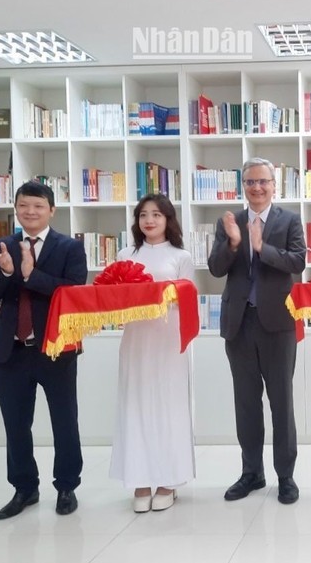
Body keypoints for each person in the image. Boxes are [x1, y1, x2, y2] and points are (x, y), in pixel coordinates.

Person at [0, 181, 87, 520]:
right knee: (15, 424)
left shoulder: (69, 247)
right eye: (24, 205)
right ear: (16, 208)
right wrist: (8, 272)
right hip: (11, 351)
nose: (30, 212)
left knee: (64, 420)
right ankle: (25, 488)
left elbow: (73, 292)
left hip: (55, 348)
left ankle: (67, 486)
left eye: (38, 206)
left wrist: (31, 275)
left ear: (52, 210)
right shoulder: (3, 246)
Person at [208, 157, 306, 505]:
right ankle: (252, 472)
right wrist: (234, 243)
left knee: (282, 403)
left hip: (278, 324)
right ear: (243, 186)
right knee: (246, 404)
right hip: (239, 323)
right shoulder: (230, 221)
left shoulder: (289, 220)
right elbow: (216, 268)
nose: (257, 188)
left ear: (274, 185)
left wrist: (262, 248)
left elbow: (298, 262)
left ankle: (286, 476)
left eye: (263, 181)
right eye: (250, 182)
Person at [109, 194, 196, 513]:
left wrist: (159, 297)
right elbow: (114, 295)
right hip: (136, 338)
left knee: (167, 406)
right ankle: (140, 478)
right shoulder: (124, 253)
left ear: (168, 219)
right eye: (143, 215)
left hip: (168, 339)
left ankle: (168, 481)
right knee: (136, 404)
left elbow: (186, 297)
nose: (149, 220)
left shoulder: (181, 256)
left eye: (156, 214)